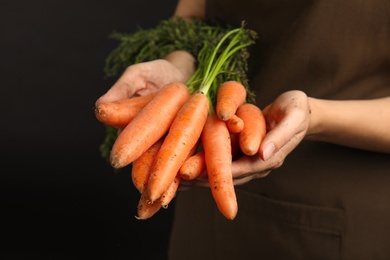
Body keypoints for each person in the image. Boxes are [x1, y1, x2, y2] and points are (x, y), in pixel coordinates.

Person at [95, 0, 390, 259]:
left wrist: (315, 116)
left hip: (331, 207)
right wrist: (180, 64)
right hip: (202, 181)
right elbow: (193, 15)